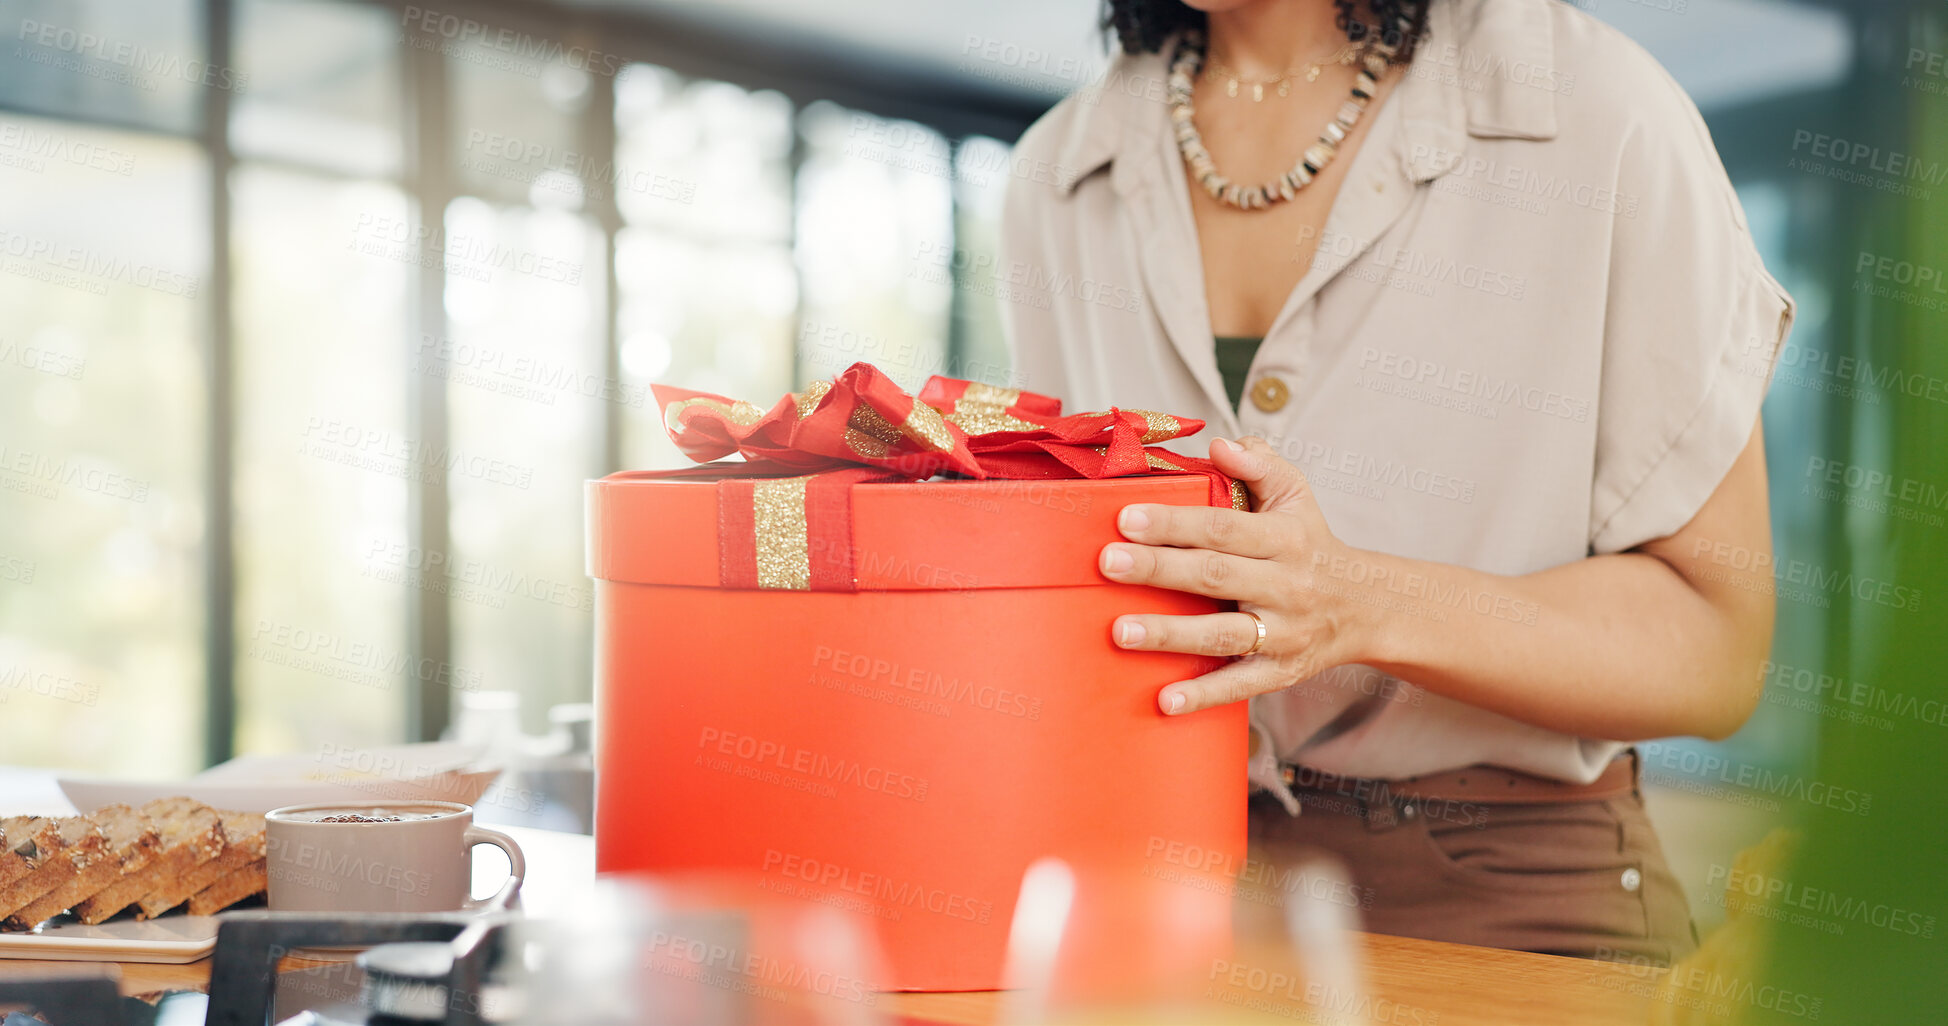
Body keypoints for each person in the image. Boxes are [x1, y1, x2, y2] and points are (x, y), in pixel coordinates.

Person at [1000, 0, 1795, 964]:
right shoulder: (1055, 175)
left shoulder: (1604, 117)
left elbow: (1716, 650)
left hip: (1509, 906)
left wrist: (1359, 604)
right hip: (1154, 892)